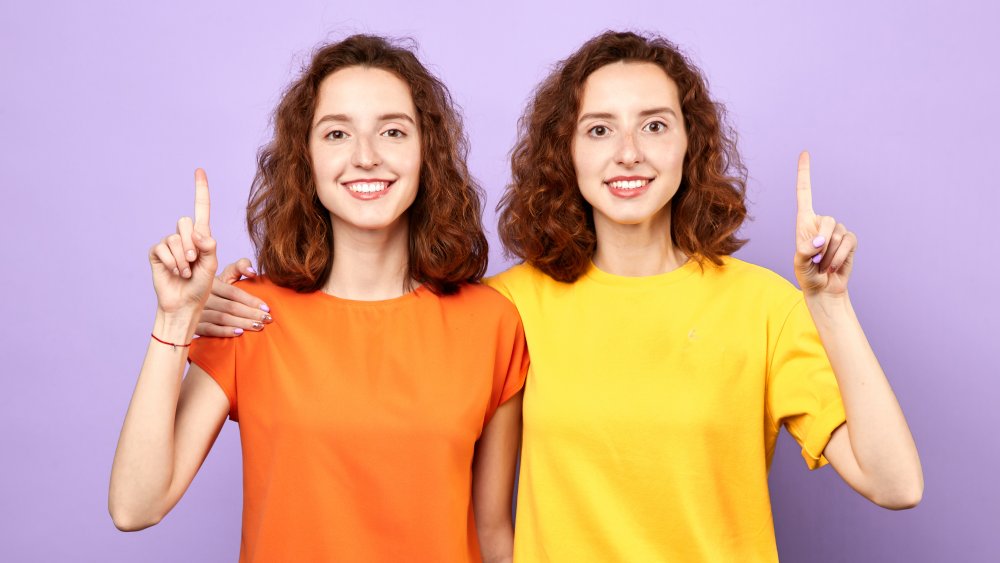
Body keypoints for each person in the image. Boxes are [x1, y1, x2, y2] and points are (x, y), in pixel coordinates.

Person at [203, 31, 923, 562]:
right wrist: (216, 310)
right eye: (599, 129)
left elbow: (896, 484)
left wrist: (830, 306)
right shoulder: (508, 308)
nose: (628, 152)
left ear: (690, 146)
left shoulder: (764, 306)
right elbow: (371, 378)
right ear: (566, 153)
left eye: (655, 125)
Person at [109, 35, 527, 563]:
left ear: (428, 152)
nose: (366, 157)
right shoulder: (250, 316)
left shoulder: (491, 323)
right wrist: (174, 319)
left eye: (393, 131)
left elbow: (492, 534)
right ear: (305, 158)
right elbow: (134, 506)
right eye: (337, 134)